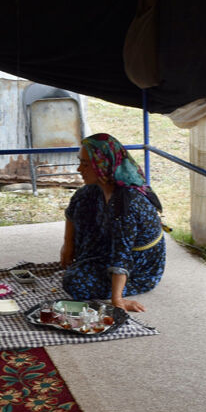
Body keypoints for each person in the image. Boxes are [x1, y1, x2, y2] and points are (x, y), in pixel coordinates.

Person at [59, 133, 166, 312]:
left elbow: (122, 255)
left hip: (139, 266)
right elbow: (72, 213)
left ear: (103, 165)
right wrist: (68, 246)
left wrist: (117, 300)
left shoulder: (126, 204)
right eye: (80, 162)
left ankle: (117, 284)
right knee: (83, 198)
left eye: (85, 164)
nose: (79, 169)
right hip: (113, 248)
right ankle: (89, 263)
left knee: (75, 283)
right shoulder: (95, 190)